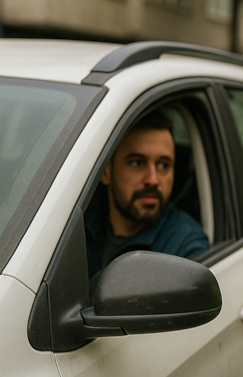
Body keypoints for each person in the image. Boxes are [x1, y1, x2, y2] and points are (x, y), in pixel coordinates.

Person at [85, 110, 210, 279]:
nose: (152, 179)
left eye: (163, 165)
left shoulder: (185, 250)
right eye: (137, 163)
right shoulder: (74, 224)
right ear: (106, 172)